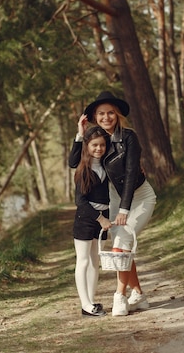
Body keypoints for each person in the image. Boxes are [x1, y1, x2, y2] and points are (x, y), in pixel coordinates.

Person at [70, 91, 157, 316]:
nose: (106, 117)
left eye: (110, 113)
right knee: (122, 244)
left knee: (122, 242)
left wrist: (125, 210)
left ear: (117, 115)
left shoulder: (128, 137)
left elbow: (130, 175)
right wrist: (80, 135)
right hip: (116, 198)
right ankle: (138, 294)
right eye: (101, 113)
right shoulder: (100, 140)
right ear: (95, 117)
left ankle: (119, 296)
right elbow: (74, 162)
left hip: (139, 196)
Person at [68, 125, 113, 318]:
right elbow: (80, 202)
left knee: (96, 261)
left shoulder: (106, 166)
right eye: (94, 145)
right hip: (86, 220)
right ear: (87, 146)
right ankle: (85, 304)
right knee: (84, 260)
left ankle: (91, 301)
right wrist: (101, 218)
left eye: (102, 145)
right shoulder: (83, 169)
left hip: (102, 219)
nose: (98, 148)